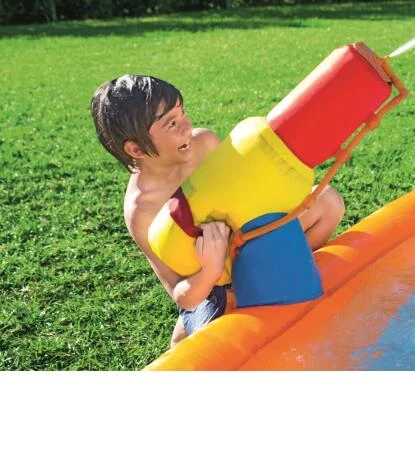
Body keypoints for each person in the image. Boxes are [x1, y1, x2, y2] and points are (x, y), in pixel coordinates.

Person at [90, 75, 345, 347]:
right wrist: (211, 270)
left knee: (328, 203)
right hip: (213, 284)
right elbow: (181, 293)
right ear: (136, 148)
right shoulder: (142, 209)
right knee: (205, 347)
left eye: (183, 113)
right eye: (172, 123)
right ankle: (192, 330)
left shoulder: (205, 143)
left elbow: (248, 189)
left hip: (249, 239)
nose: (187, 126)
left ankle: (283, 267)